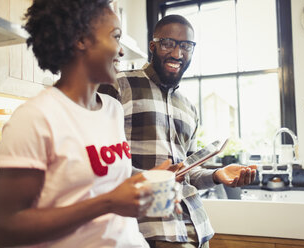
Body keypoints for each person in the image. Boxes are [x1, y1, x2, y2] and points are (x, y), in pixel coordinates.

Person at [0, 1, 175, 247]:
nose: (121, 51)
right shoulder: (35, 117)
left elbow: (103, 182)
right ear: (81, 39)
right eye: (116, 37)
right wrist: (108, 203)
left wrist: (145, 186)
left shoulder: (113, 109)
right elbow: (6, 229)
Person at [98, 15, 257, 248]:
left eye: (186, 46)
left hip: (199, 228)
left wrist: (216, 175)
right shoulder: (119, 85)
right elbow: (98, 162)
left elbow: (189, 173)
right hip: (150, 229)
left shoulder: (189, 108)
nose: (177, 54)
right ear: (153, 46)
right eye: (168, 44)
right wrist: (154, 177)